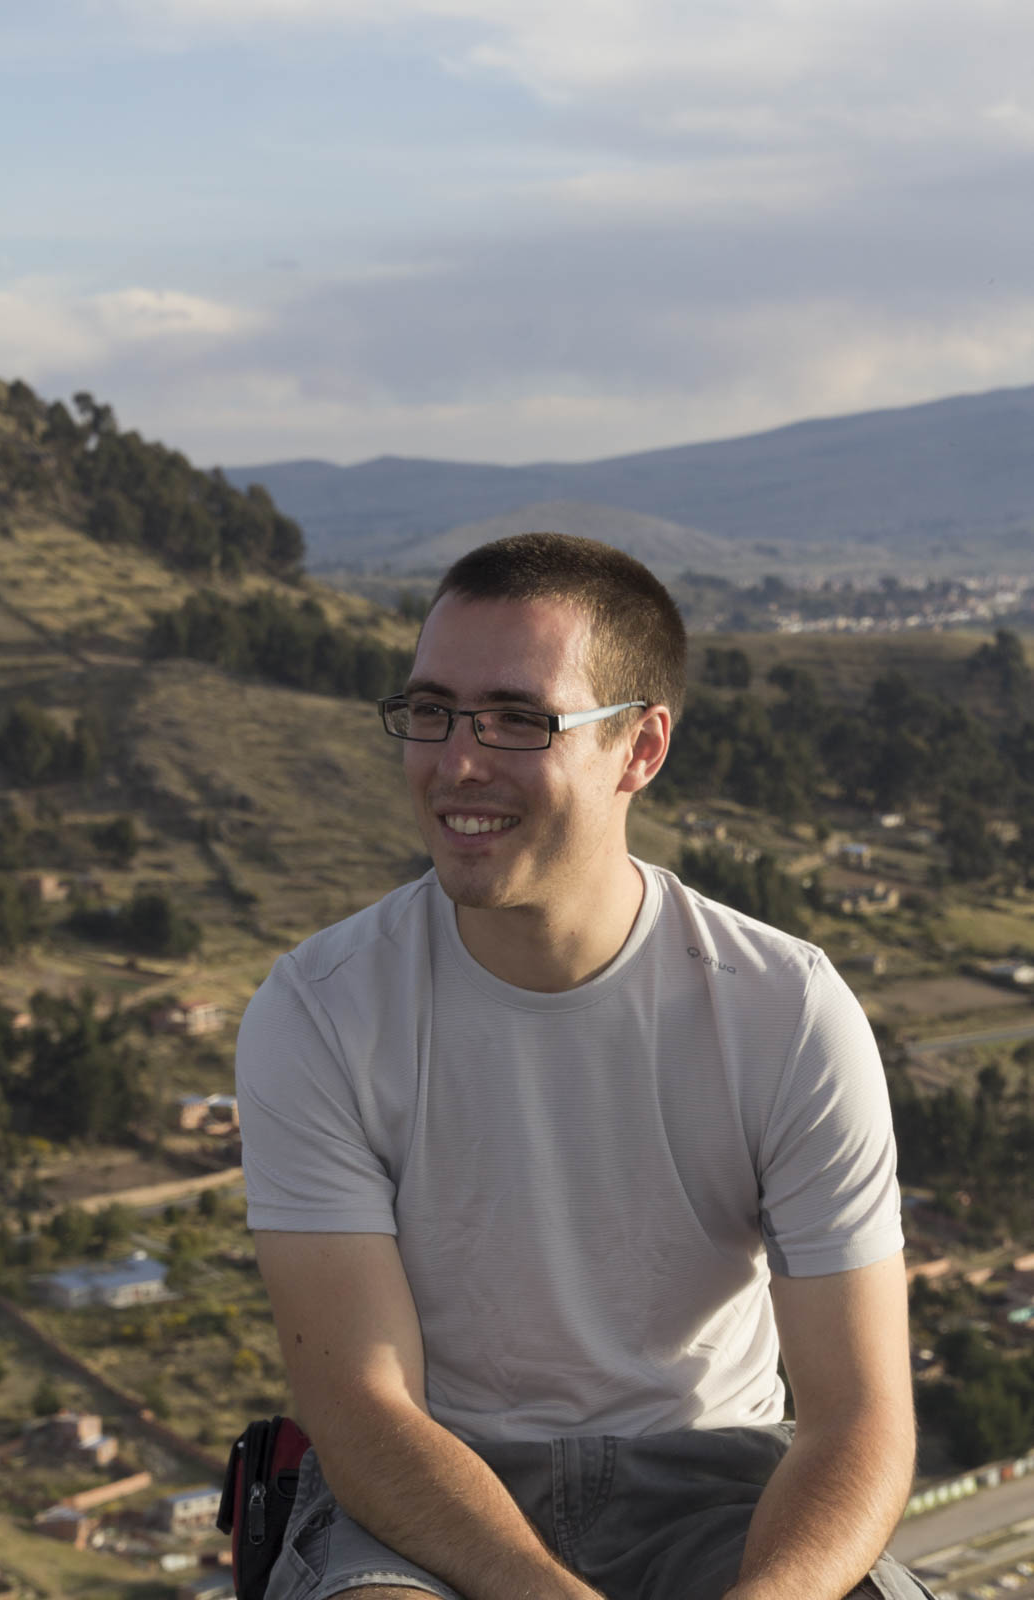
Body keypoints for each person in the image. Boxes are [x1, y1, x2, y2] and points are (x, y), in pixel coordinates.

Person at [236, 532, 934, 1600]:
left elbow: (857, 1416)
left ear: (638, 748)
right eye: (432, 710)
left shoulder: (783, 1011)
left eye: (517, 719)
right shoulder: (319, 1010)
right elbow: (364, 1411)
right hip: (429, 1497)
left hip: (718, 1495)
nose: (455, 762)